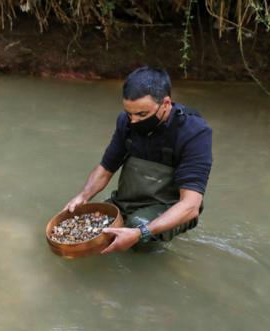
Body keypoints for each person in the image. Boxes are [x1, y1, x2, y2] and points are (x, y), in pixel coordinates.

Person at [64, 66, 212, 253]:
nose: (133, 121)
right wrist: (83, 196)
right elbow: (105, 169)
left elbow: (190, 206)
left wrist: (140, 233)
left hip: (171, 206)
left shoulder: (194, 132)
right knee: (95, 226)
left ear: (166, 104)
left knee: (138, 229)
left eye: (142, 114)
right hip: (129, 200)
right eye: (129, 113)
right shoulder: (126, 123)